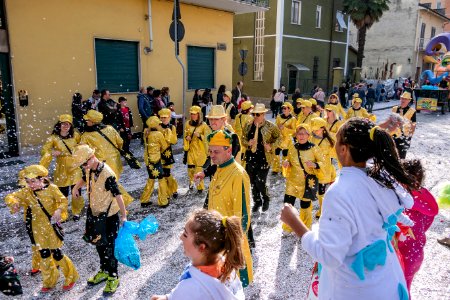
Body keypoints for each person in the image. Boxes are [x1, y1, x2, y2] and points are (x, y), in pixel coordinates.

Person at [281, 118, 416, 300]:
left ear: (343, 149)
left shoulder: (340, 192)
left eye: (337, 141)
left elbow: (329, 255)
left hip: (355, 289)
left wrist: (294, 222)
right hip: (386, 281)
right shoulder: (379, 176)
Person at [5, 165, 79, 293]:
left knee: (57, 253)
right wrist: (14, 203)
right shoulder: (27, 192)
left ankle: (71, 276)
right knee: (43, 254)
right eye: (27, 181)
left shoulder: (52, 189)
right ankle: (50, 280)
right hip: (37, 228)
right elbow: (10, 196)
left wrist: (59, 210)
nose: (30, 184)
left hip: (50, 227)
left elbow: (63, 201)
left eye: (33, 181)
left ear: (42, 179)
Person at [150, 210, 245, 300]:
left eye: (185, 235)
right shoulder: (224, 266)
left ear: (201, 247)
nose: (181, 237)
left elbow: (190, 292)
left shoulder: (191, 286)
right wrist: (168, 297)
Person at [72, 145, 127, 296]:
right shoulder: (89, 169)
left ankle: (113, 276)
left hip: (109, 216)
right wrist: (76, 188)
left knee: (109, 246)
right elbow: (84, 178)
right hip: (95, 213)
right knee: (98, 243)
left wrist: (124, 215)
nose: (84, 167)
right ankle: (104, 270)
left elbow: (118, 194)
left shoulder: (107, 174)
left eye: (84, 163)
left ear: (92, 158)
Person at [206, 130, 253, 287]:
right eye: (210, 151)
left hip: (231, 241)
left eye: (216, 151)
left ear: (229, 150)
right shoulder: (219, 168)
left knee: (236, 285)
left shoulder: (238, 174)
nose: (212, 155)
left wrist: (233, 243)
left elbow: (243, 215)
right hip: (218, 239)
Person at [397, 159, 438, 293]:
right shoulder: (395, 194)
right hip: (402, 252)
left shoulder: (416, 199)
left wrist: (414, 194)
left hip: (410, 254)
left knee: (402, 288)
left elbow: (433, 210)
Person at [40, 114, 84, 221]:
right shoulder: (53, 138)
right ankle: (62, 214)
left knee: (76, 191)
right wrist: (51, 152)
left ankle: (76, 212)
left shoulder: (76, 135)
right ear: (59, 125)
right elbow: (44, 150)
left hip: (75, 167)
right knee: (62, 193)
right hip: (61, 169)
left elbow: (83, 146)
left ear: (71, 126)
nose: (66, 126)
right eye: (63, 124)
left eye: (68, 124)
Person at [281, 124, 324, 231]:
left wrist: (315, 165)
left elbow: (322, 162)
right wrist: (286, 163)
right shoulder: (293, 146)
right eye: (299, 133)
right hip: (292, 180)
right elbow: (289, 159)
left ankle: (304, 227)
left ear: (308, 135)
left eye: (304, 133)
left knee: (304, 205)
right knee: (288, 204)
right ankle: (289, 226)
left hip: (307, 181)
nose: (301, 136)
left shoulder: (314, 148)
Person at [242, 103, 280, 212]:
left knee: (260, 182)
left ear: (263, 114)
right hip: (251, 157)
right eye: (254, 114)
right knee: (253, 182)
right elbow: (243, 139)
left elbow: (279, 138)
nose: (255, 117)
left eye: (258, 114)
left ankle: (266, 198)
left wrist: (271, 146)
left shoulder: (270, 126)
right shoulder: (248, 126)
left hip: (264, 158)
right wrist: (248, 143)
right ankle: (257, 202)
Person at [81, 110, 124, 178]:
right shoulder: (110, 129)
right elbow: (120, 142)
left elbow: (83, 151)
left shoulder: (86, 135)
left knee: (104, 184)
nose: (86, 121)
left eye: (88, 120)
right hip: (114, 160)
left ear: (93, 121)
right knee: (114, 182)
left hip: (99, 163)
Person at [140, 116, 170, 207]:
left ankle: (144, 200)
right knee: (161, 180)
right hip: (156, 159)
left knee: (151, 179)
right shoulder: (158, 134)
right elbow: (164, 146)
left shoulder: (146, 132)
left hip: (148, 160)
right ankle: (163, 201)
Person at [310, 117, 335, 218]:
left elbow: (335, 154)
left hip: (324, 169)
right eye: (314, 130)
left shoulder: (329, 141)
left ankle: (322, 211)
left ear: (323, 129)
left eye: (317, 129)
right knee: (314, 189)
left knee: (321, 191)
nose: (315, 131)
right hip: (313, 168)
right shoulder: (312, 138)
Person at [183, 106, 211, 192]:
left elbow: (208, 137)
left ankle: (200, 187)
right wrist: (187, 138)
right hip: (191, 150)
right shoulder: (188, 123)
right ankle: (191, 183)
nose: (193, 116)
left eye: (194, 114)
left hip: (200, 151)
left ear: (198, 115)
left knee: (198, 169)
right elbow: (185, 134)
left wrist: (200, 136)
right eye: (191, 114)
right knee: (190, 169)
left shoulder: (204, 125)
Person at [158, 108, 178, 199]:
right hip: (158, 153)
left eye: (165, 118)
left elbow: (174, 141)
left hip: (167, 153)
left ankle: (173, 189)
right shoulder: (157, 126)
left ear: (169, 117)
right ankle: (165, 192)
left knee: (168, 174)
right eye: (161, 118)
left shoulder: (172, 127)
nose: (163, 119)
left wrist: (168, 135)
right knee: (162, 175)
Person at [391, 91, 416, 159]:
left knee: (402, 154)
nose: (403, 100)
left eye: (405, 99)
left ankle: (401, 166)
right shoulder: (394, 108)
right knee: (392, 152)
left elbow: (413, 124)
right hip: (394, 134)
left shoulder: (412, 111)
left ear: (409, 100)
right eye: (402, 98)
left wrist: (410, 136)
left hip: (405, 135)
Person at [273, 102, 296, 175]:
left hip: (287, 140)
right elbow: (275, 127)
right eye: (283, 108)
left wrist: (284, 128)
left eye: (285, 108)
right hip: (279, 139)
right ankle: (275, 169)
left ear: (289, 109)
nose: (283, 109)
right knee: (276, 154)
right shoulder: (279, 117)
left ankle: (284, 170)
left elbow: (294, 131)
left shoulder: (293, 119)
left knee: (285, 155)